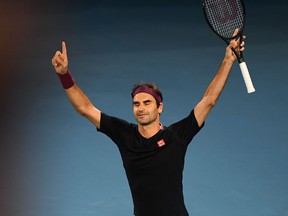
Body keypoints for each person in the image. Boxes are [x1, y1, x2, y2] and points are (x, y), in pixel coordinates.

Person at [51, 29, 246, 216]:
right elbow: (84, 108)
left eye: (147, 103)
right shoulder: (124, 134)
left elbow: (209, 99)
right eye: (136, 104)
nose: (141, 108)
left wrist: (228, 59)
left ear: (159, 107)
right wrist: (64, 74)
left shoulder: (176, 136)